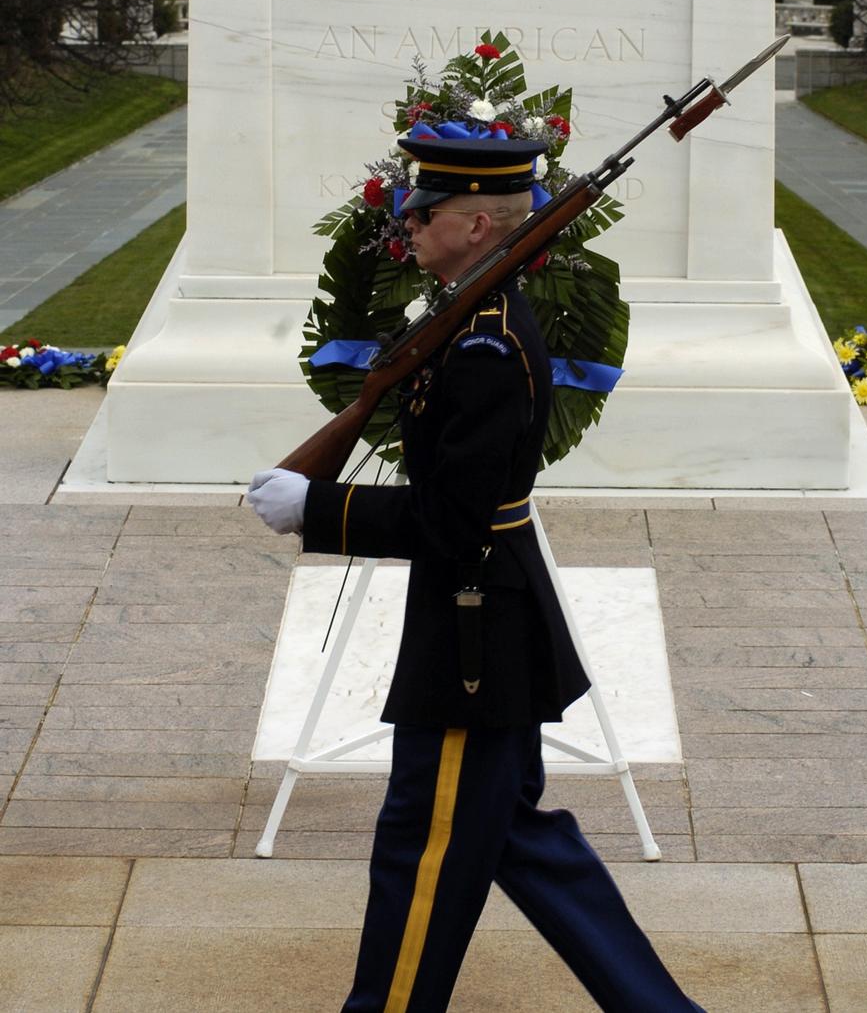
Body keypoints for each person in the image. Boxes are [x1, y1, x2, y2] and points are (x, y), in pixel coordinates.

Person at [248, 136, 707, 1013]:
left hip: (474, 636)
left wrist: (319, 509)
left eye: (422, 214)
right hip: (482, 622)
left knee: (425, 853)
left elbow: (454, 522)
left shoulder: (483, 346)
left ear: (474, 224)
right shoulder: (465, 316)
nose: (406, 223)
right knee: (512, 840)